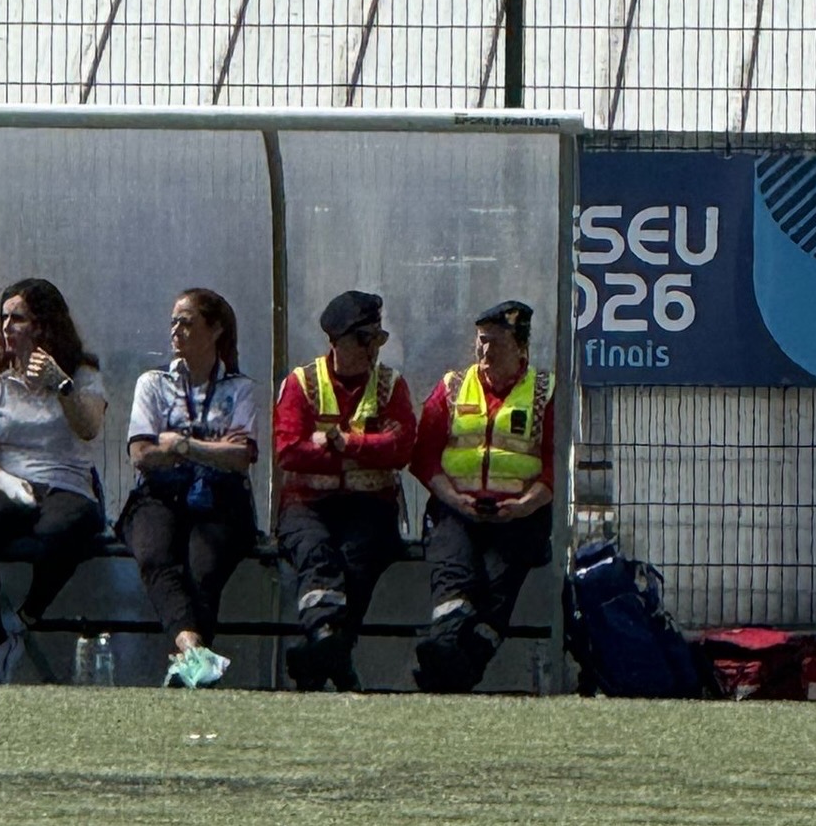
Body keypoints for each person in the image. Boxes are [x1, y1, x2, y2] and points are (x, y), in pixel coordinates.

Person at [0, 278, 108, 684]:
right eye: (4, 318)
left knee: (59, 531)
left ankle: (26, 616)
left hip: (67, 481)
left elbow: (89, 428)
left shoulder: (82, 375)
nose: (7, 327)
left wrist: (62, 385)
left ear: (44, 324)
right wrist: (7, 483)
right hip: (11, 479)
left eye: (18, 318)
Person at [273, 290, 416, 691]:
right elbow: (289, 451)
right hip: (307, 505)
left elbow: (402, 448)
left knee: (357, 560)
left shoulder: (391, 386)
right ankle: (331, 651)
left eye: (377, 339)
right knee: (315, 552)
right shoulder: (302, 384)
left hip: (371, 506)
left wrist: (344, 444)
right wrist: (366, 452)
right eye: (363, 339)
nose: (372, 350)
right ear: (335, 341)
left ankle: (319, 650)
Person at [410, 300, 555, 693]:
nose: (485, 351)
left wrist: (524, 505)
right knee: (454, 575)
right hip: (455, 509)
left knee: (497, 585)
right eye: (481, 341)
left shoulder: (544, 393)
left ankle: (449, 667)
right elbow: (424, 457)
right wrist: (454, 499)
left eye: (496, 343)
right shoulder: (452, 387)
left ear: (520, 347)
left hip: (521, 515)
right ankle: (446, 649)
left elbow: (555, 464)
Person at [121, 289, 259, 688]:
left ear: (215, 330)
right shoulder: (153, 383)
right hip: (158, 496)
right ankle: (194, 652)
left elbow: (241, 457)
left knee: (204, 566)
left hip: (220, 498)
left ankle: (192, 665)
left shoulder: (239, 388)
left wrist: (182, 445)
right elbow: (142, 453)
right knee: (155, 555)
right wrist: (213, 450)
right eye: (173, 322)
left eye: (187, 322)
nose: (176, 330)